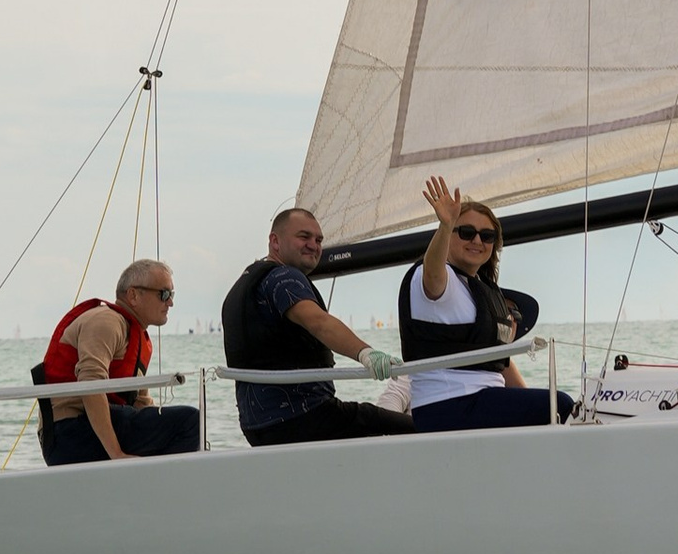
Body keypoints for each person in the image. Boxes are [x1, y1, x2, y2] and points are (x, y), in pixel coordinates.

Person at [398, 176, 577, 431]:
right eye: (466, 232)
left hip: (483, 400)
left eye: (487, 236)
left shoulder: (482, 289)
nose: (477, 241)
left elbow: (498, 362)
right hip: (447, 404)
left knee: (558, 407)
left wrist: (532, 402)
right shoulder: (438, 280)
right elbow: (433, 273)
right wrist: (445, 226)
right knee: (562, 404)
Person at [223, 208, 406, 445]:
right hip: (304, 419)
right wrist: (366, 354)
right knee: (411, 428)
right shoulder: (284, 278)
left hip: (257, 427)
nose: (314, 245)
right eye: (304, 237)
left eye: (319, 240)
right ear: (275, 241)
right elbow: (318, 322)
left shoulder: (245, 284)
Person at [34, 263, 199, 465]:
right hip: (70, 433)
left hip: (95, 428)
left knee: (180, 425)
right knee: (191, 422)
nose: (170, 302)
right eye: (164, 294)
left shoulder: (136, 336)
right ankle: (160, 483)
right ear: (133, 295)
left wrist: (157, 422)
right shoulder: (106, 322)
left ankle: (150, 481)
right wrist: (117, 455)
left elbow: (141, 403)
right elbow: (90, 385)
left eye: (172, 294)